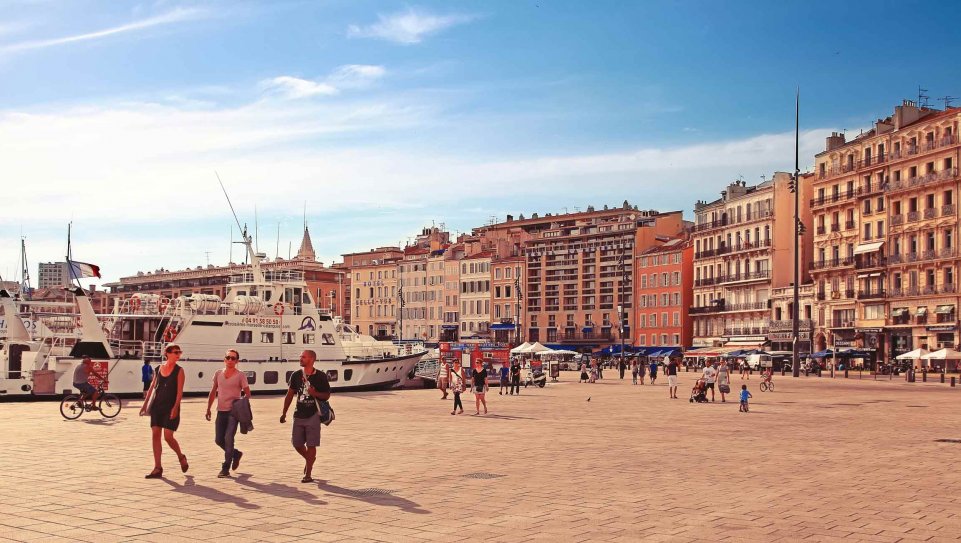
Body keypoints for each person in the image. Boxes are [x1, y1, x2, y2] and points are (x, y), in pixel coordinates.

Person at [281, 349, 331, 483]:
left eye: (303, 357)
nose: (300, 359)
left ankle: (308, 474)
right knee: (296, 443)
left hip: (314, 414)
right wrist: (284, 412)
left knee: (311, 445)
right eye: (300, 356)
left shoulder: (320, 376)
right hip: (298, 414)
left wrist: (315, 394)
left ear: (311, 359)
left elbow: (326, 395)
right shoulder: (296, 375)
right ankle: (310, 459)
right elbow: (290, 394)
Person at [140, 344, 188, 479]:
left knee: (168, 437)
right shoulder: (159, 368)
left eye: (179, 352)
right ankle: (157, 468)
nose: (178, 355)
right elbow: (152, 387)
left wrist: (175, 407)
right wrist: (145, 405)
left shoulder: (179, 371)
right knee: (155, 435)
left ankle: (181, 456)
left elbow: (179, 392)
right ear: (167, 353)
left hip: (171, 407)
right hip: (157, 406)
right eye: (175, 352)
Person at [206, 349, 251, 478]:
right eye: (228, 357)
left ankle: (225, 467)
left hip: (233, 413)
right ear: (224, 359)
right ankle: (236, 454)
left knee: (228, 438)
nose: (230, 360)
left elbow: (247, 393)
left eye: (233, 358)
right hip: (221, 411)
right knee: (218, 440)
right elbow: (213, 391)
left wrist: (240, 405)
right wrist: (208, 408)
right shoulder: (218, 373)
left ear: (237, 361)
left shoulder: (240, 375)